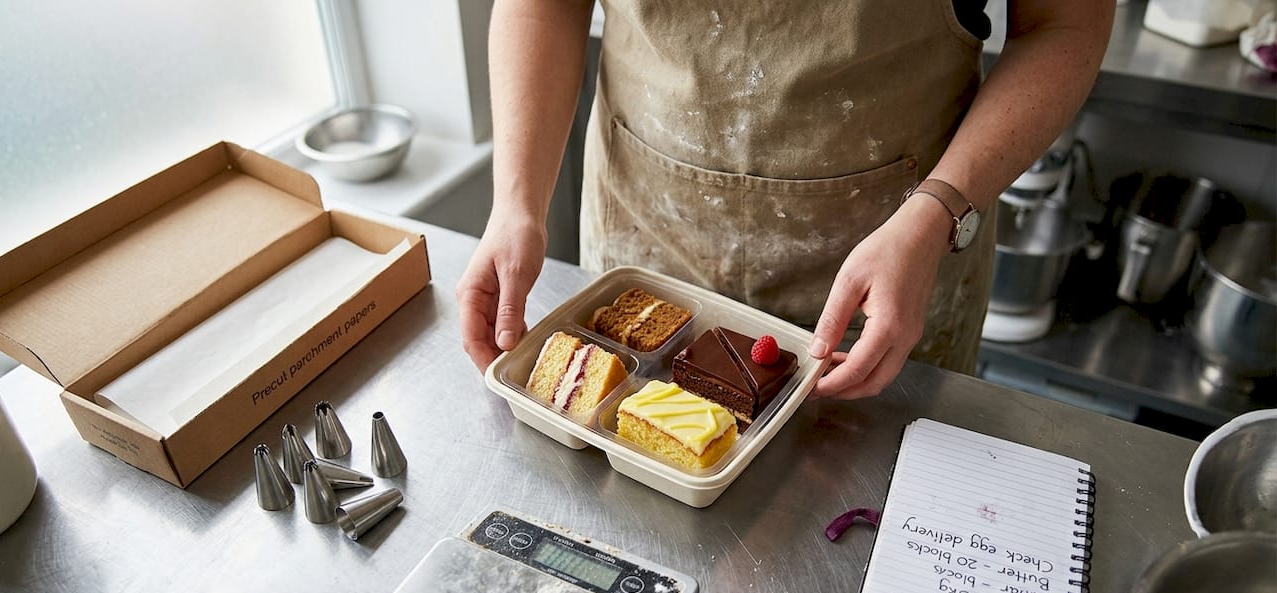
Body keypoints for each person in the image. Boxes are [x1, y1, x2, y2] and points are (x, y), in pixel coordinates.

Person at [457, 1, 1114, 400]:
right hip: (647, 232)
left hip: (892, 253)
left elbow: (1064, 25)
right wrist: (516, 201)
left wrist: (941, 206)